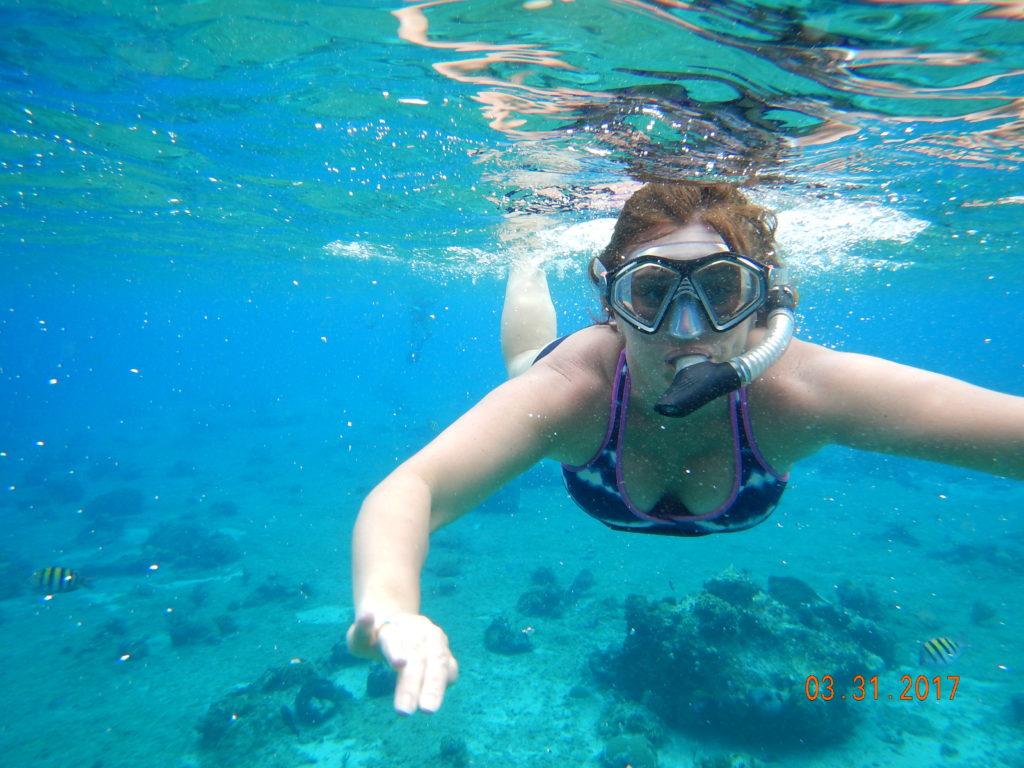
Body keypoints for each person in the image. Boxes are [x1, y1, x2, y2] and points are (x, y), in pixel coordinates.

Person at [346, 182, 1024, 716]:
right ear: (612, 303)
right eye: (651, 292)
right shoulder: (571, 393)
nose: (686, 329)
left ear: (765, 305)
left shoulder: (803, 392)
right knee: (527, 361)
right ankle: (527, 249)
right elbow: (412, 490)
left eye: (721, 289)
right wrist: (391, 605)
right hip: (567, 384)